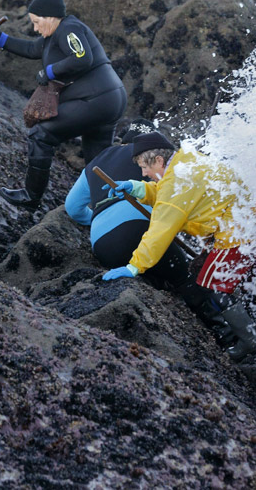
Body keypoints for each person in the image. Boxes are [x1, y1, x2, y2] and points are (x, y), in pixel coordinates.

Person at [100, 132, 256, 361]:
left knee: (214, 286)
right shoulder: (186, 161)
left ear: (159, 161)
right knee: (254, 283)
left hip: (238, 235)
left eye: (145, 168)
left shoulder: (175, 183)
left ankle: (254, 344)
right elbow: (170, 193)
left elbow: (160, 230)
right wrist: (136, 188)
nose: (144, 173)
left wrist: (135, 266)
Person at [65, 129, 240, 348]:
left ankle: (243, 337)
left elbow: (72, 208)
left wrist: (97, 220)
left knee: (162, 269)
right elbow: (161, 227)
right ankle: (227, 335)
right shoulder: (178, 164)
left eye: (144, 168)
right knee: (185, 278)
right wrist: (135, 265)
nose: (143, 172)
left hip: (102, 244)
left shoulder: (100, 161)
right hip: (138, 230)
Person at [0, 0, 127, 209]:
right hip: (109, 100)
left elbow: (82, 57)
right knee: (98, 165)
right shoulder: (53, 36)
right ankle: (107, 210)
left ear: (50, 17)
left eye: (37, 22)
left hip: (96, 100)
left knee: (41, 135)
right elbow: (31, 49)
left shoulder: (69, 28)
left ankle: (31, 198)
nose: (35, 28)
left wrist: (50, 72)